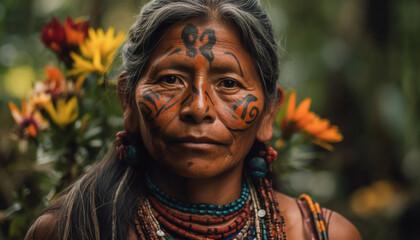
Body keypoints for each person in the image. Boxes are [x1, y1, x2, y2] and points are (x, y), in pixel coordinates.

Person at [25, 0, 362, 239]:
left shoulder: (322, 234)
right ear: (127, 99)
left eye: (228, 84)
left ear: (269, 112)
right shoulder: (69, 229)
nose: (198, 107)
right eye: (171, 79)